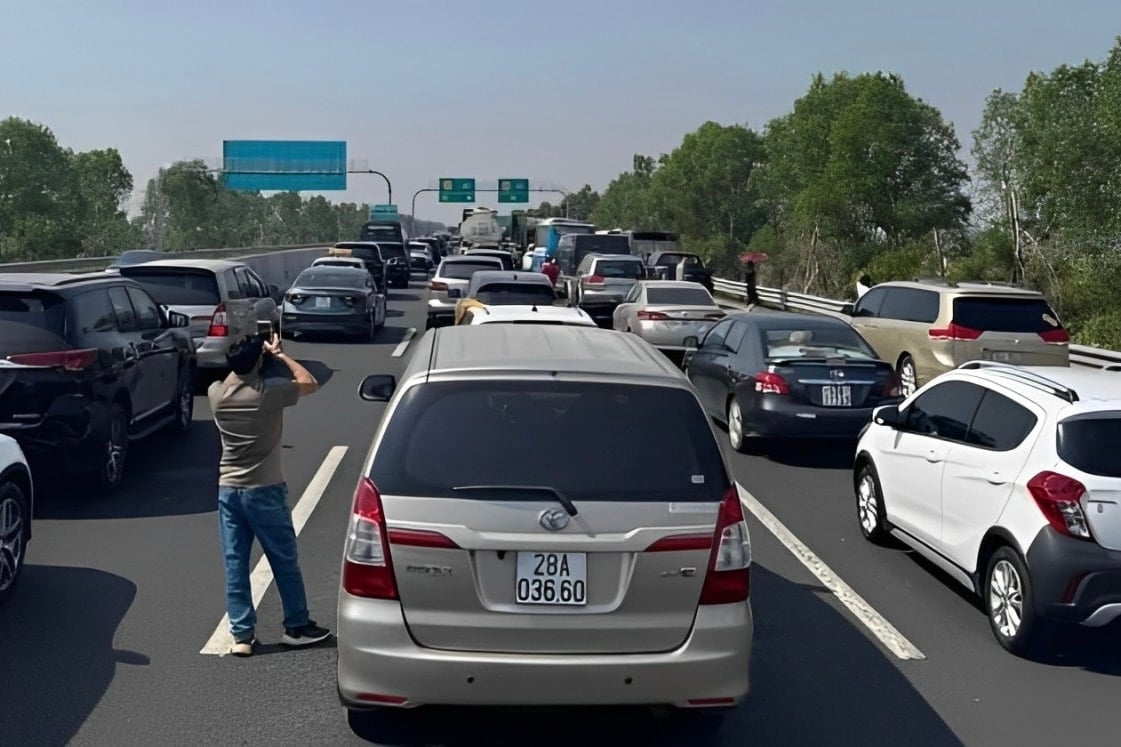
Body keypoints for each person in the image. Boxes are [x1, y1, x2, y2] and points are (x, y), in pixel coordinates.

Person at [208, 332, 331, 657]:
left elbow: (232, 374)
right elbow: (309, 382)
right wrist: (278, 356)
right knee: (283, 559)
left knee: (235, 562)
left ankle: (242, 635)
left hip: (228, 491)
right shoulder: (267, 394)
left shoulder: (216, 394)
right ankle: (297, 625)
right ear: (259, 363)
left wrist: (247, 357)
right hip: (264, 489)